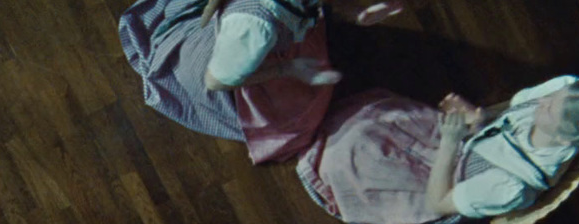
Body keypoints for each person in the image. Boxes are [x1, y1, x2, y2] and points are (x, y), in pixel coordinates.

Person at [296, 75, 579, 224]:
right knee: (367, 123)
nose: (545, 101)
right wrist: (480, 118)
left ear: (569, 134)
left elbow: (441, 202)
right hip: (466, 143)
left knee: (347, 163)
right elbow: (513, 108)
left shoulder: (512, 186)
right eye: (554, 97)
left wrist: (452, 142)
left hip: (445, 186)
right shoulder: (567, 87)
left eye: (552, 108)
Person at [117, 0, 389, 163]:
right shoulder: (254, 26)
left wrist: (355, 14)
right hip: (228, 63)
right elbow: (215, 81)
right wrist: (288, 68)